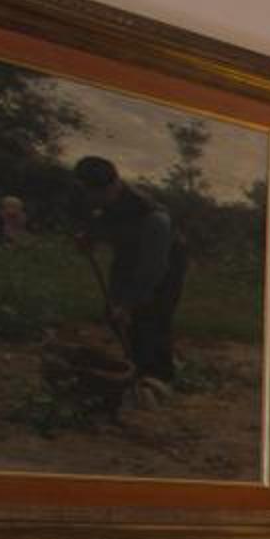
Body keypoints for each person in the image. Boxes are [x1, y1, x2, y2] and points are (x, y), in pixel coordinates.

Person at [70, 156, 187, 383]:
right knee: (114, 313)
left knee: (151, 318)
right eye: (89, 194)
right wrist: (89, 237)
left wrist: (128, 304)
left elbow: (153, 270)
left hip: (166, 263)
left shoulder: (154, 217)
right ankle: (136, 363)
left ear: (113, 185)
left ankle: (159, 377)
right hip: (128, 255)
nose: (93, 200)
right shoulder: (101, 200)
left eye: (97, 195)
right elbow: (102, 222)